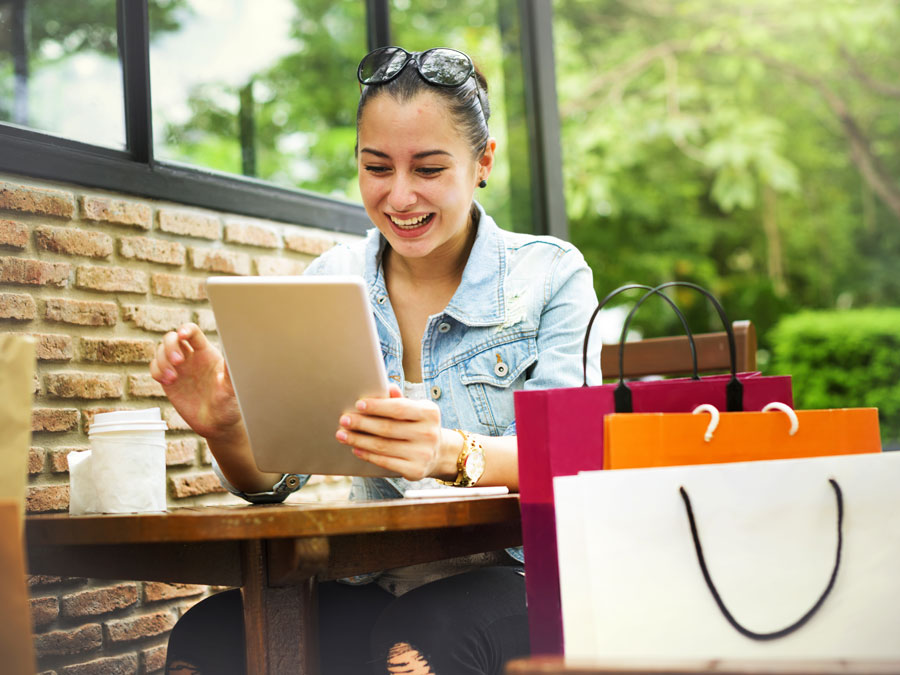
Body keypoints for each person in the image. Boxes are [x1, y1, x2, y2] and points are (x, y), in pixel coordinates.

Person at [154, 46, 600, 675]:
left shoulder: (550, 274)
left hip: (523, 581)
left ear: (483, 164)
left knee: (418, 640)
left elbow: (574, 457)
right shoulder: (331, 280)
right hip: (380, 582)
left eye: (428, 168)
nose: (399, 195)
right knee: (209, 635)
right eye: (376, 167)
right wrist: (228, 431)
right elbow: (280, 479)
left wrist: (450, 453)